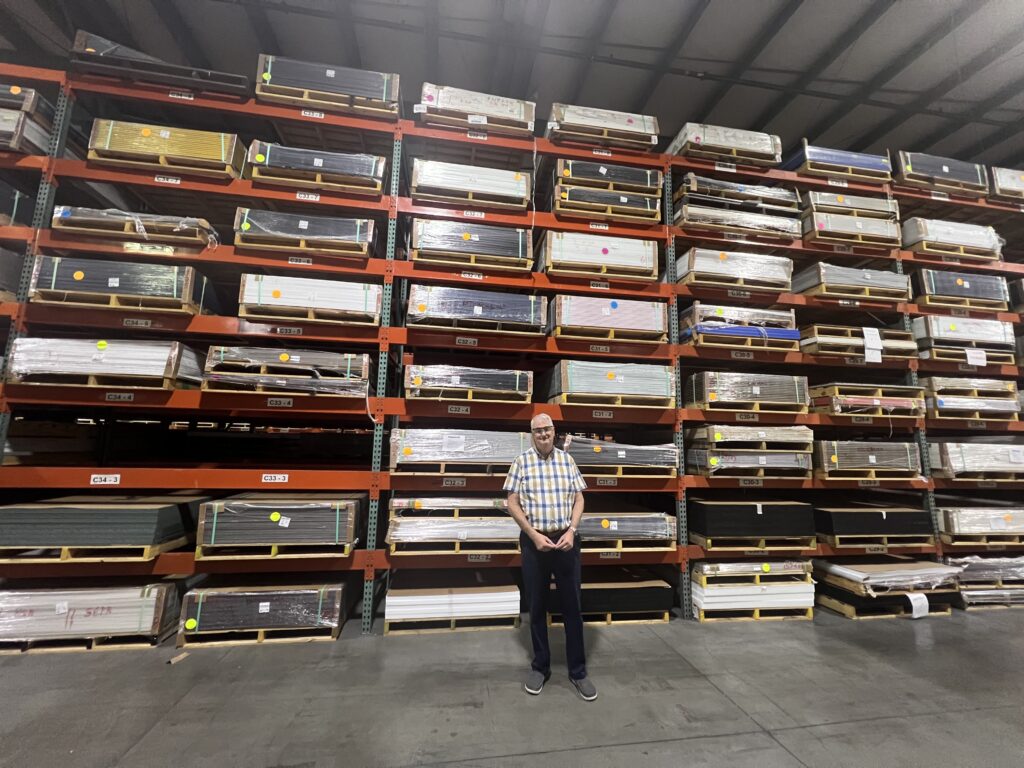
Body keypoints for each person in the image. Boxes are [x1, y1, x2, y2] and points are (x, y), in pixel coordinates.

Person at [504, 413, 597, 701]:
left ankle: (578, 671)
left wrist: (572, 530)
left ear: (554, 432)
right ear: (531, 434)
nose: (543, 434)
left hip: (566, 541)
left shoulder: (567, 461)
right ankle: (540, 667)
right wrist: (533, 535)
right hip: (535, 543)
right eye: (537, 431)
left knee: (572, 606)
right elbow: (511, 501)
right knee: (537, 605)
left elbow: (580, 497)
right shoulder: (521, 462)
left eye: (547, 429)